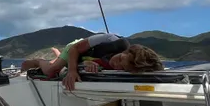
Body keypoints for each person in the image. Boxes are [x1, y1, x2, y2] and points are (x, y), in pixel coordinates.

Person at [20, 33, 162, 91]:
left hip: (86, 59)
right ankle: (38, 61)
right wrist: (72, 71)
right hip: (75, 49)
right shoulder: (109, 39)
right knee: (51, 71)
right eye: (119, 59)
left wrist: (86, 66)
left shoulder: (124, 65)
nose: (115, 65)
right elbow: (75, 49)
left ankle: (58, 56)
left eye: (121, 68)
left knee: (63, 65)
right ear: (125, 51)